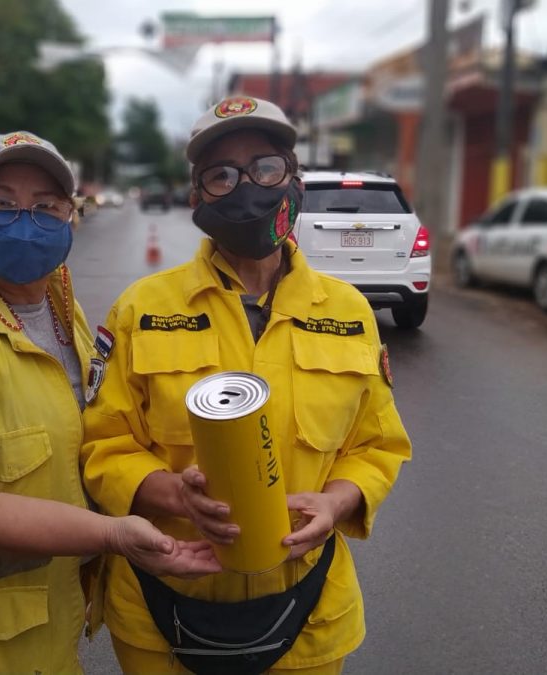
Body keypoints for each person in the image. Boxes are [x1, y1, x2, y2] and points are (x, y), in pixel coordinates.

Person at [0, 131, 220, 674]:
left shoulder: (56, 303)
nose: (24, 222)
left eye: (46, 206)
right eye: (0, 203)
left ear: (71, 215)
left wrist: (167, 488)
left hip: (35, 631)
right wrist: (114, 534)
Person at [81, 97, 413, 674]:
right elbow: (103, 444)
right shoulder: (142, 309)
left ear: (294, 181)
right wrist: (174, 495)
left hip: (308, 615)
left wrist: (336, 502)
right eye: (222, 175)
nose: (246, 188)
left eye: (265, 167)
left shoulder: (348, 311)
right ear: (196, 197)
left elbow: (376, 446)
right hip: (161, 609)